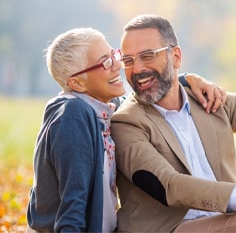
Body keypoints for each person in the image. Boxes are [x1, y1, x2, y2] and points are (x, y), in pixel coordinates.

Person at [110, 14, 236, 232]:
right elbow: (170, 186)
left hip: (230, 217)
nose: (137, 69)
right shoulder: (126, 123)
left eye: (147, 56)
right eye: (128, 60)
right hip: (175, 228)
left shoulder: (210, 98)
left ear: (176, 56)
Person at [26, 27, 225, 232]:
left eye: (114, 55)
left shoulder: (104, 107)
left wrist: (186, 79)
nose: (117, 65)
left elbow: (146, 94)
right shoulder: (73, 115)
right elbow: (72, 206)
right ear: (77, 83)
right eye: (105, 62)